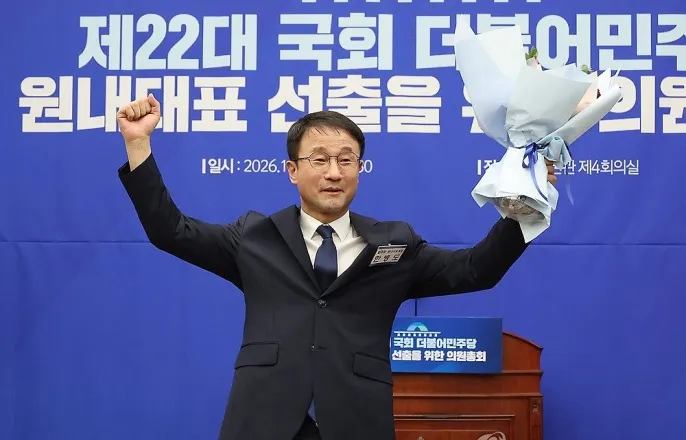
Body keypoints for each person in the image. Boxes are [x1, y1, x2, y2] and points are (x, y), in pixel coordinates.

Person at [116, 93, 556, 440]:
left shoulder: (395, 244)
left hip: (357, 421)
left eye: (346, 160)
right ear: (292, 170)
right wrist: (138, 143)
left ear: (359, 169)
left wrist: (525, 206)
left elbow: (477, 269)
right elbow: (171, 231)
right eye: (320, 159)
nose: (333, 172)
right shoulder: (254, 237)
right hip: (262, 421)